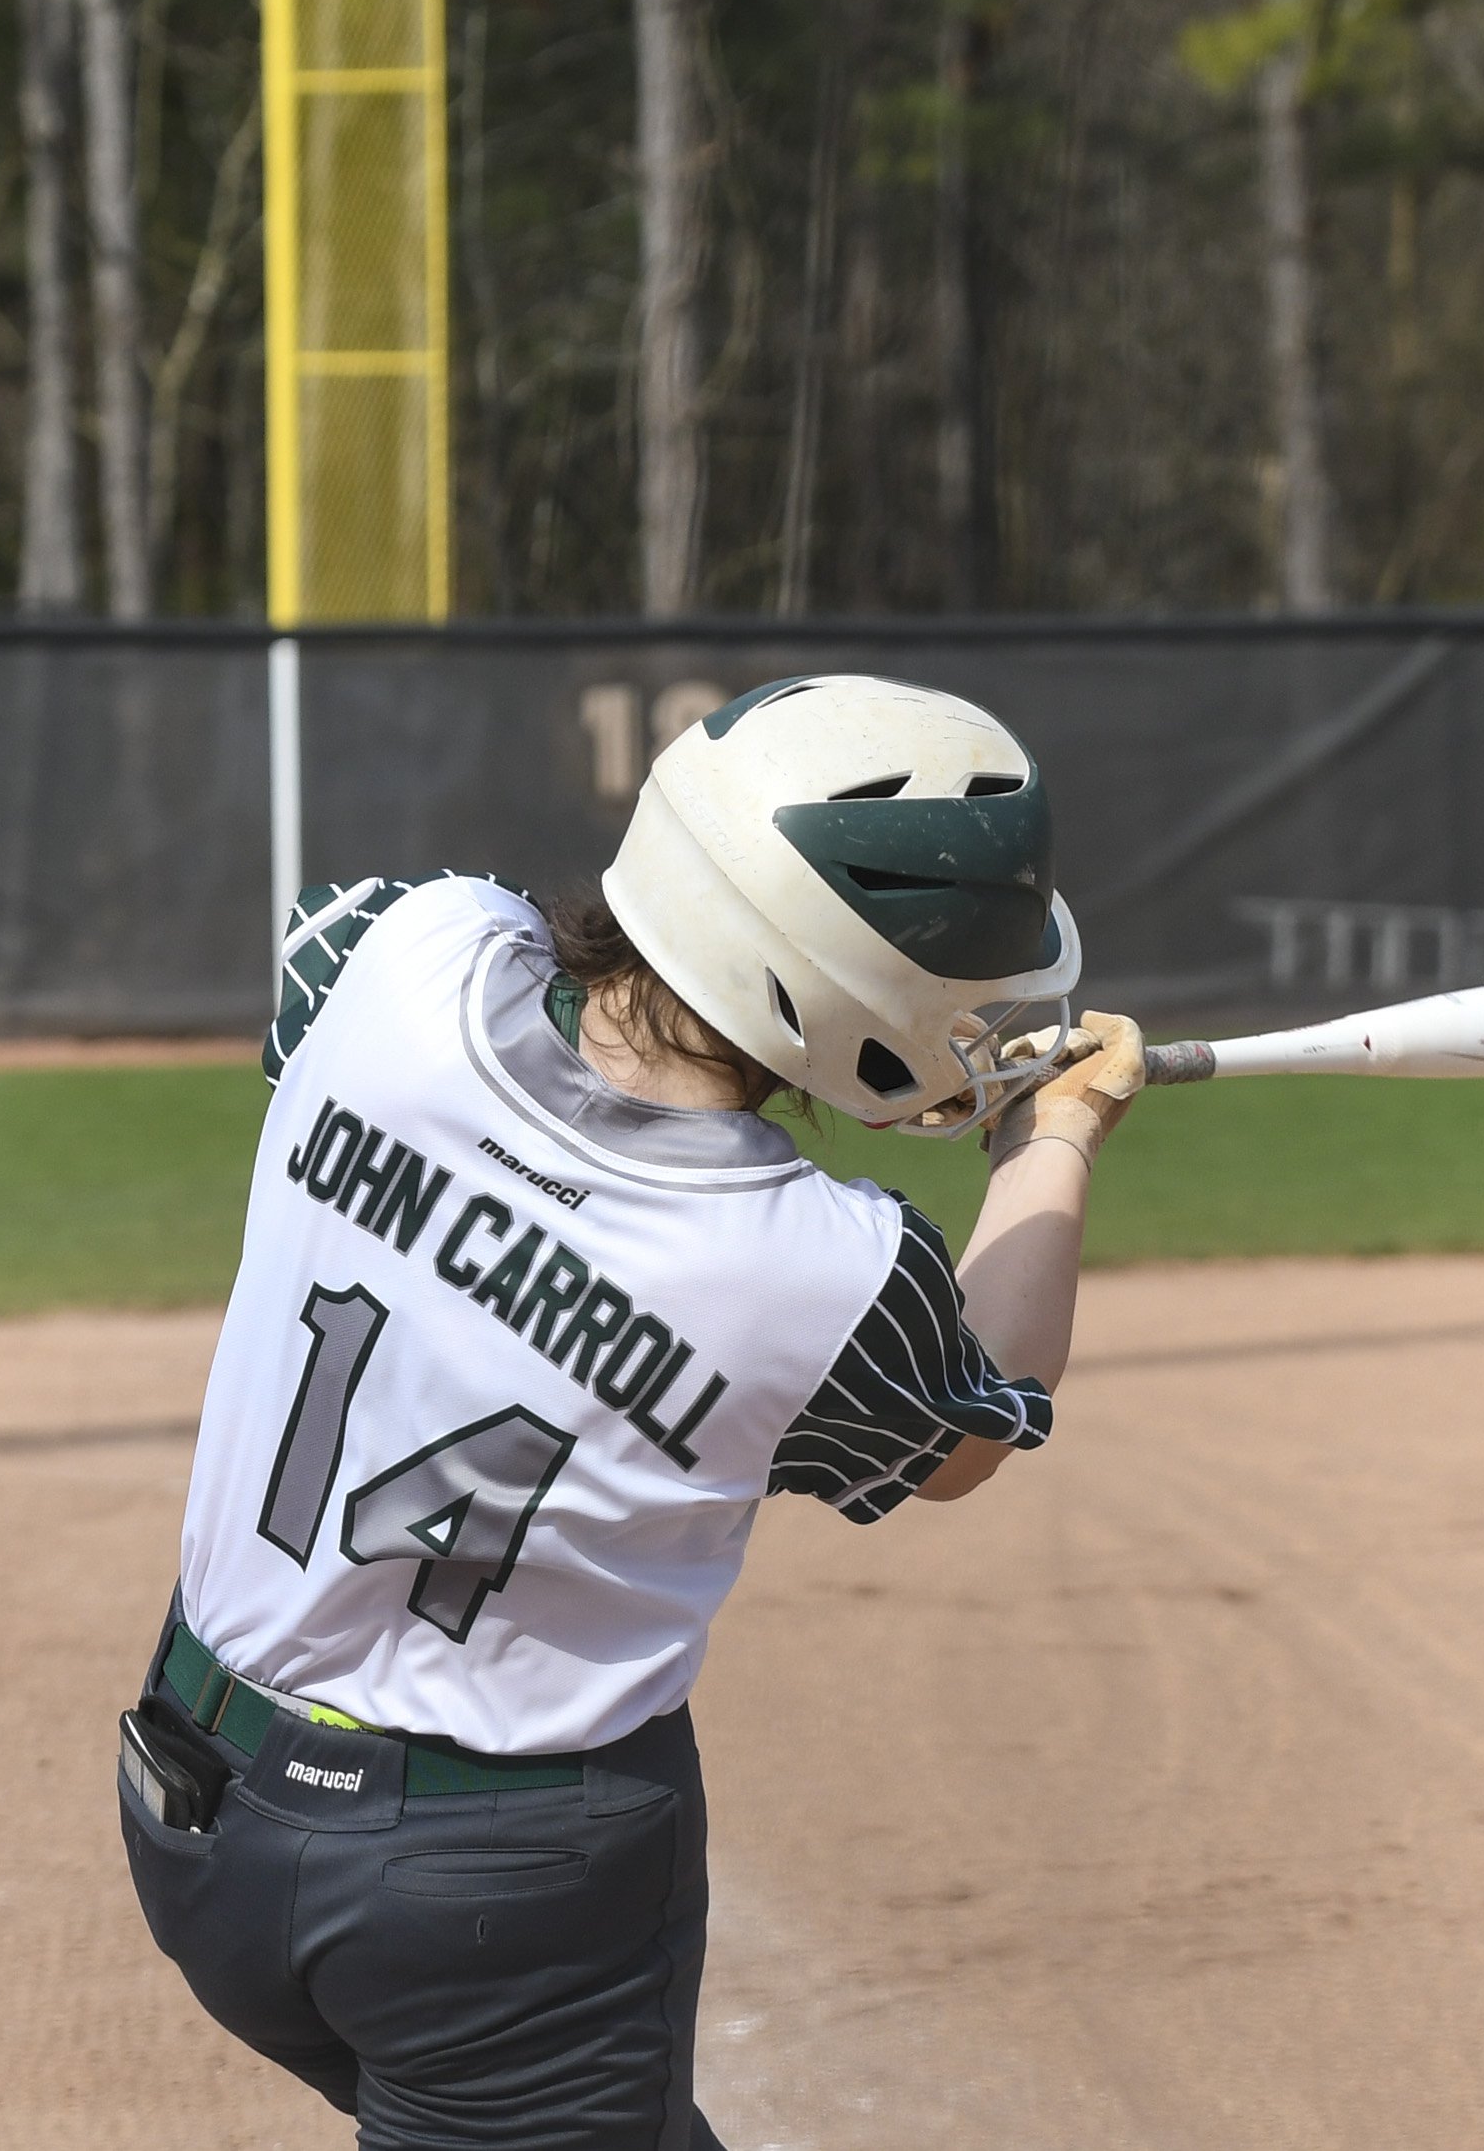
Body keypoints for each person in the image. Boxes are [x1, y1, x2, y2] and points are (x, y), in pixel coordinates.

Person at [117, 674, 1144, 2151]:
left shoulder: (395, 955)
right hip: (488, 1916)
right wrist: (1056, 1138)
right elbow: (973, 1424)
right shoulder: (814, 1267)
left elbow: (383, 999)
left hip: (190, 1811)